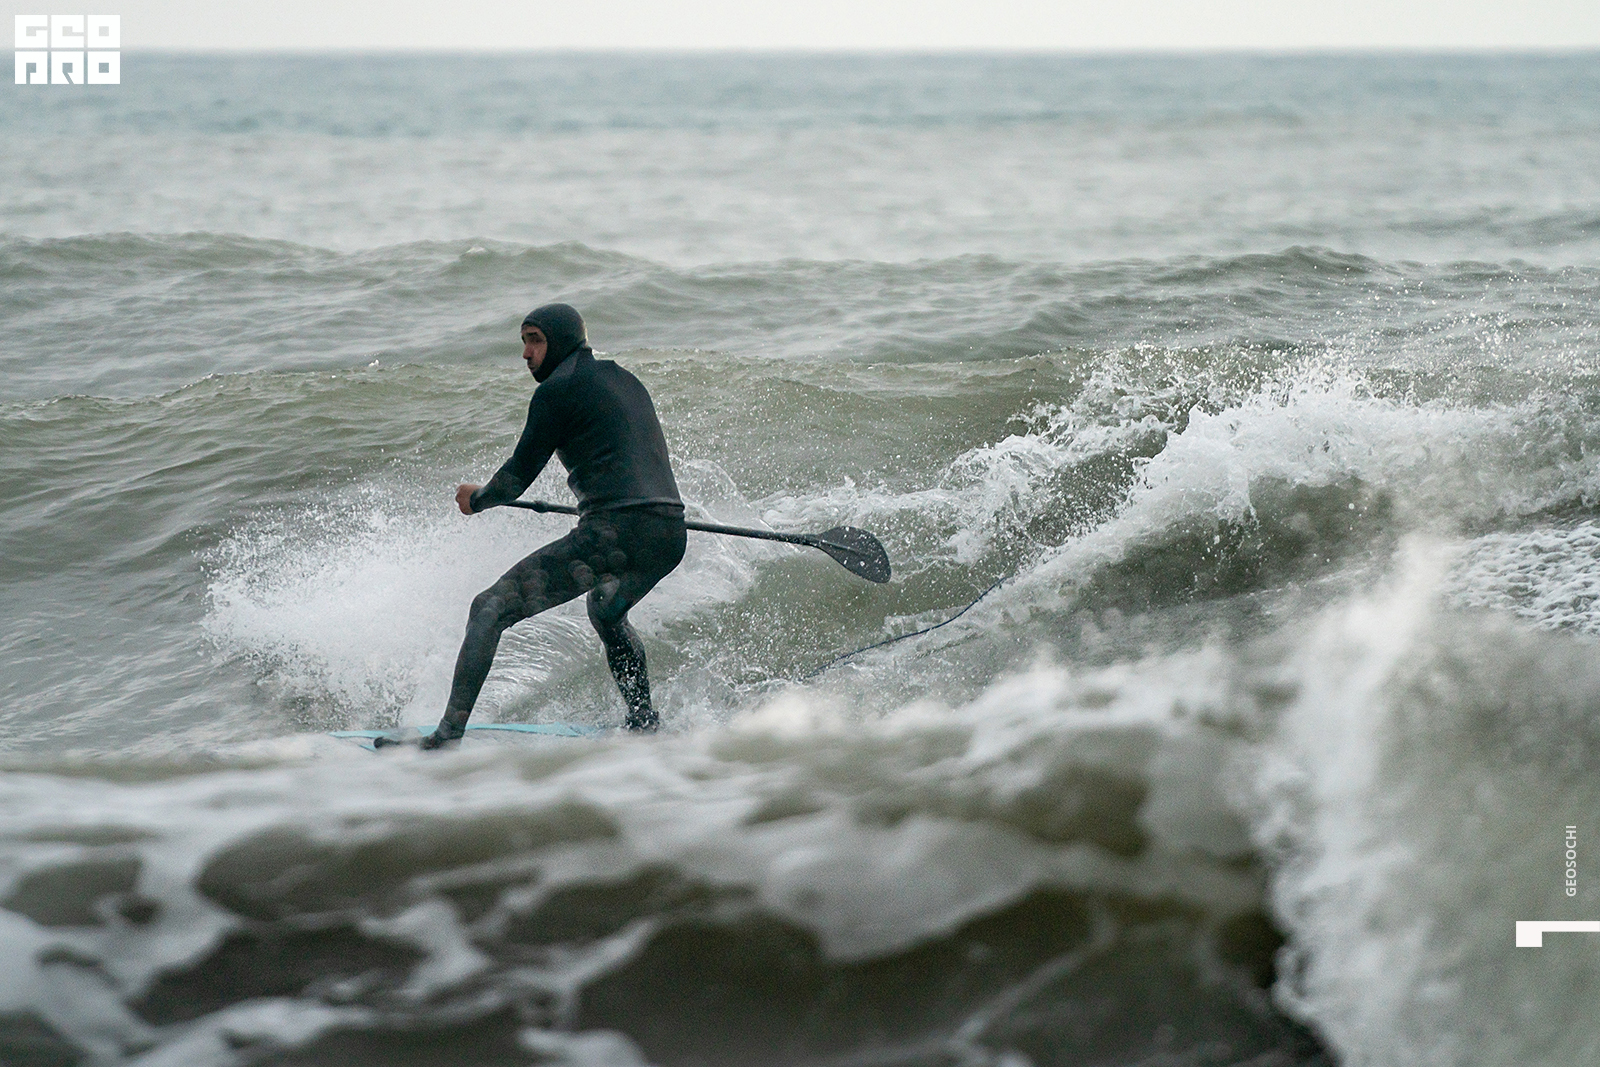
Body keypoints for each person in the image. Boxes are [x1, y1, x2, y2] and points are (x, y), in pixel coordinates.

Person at [422, 303, 685, 748]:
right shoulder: (626, 380)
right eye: (524, 341)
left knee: (489, 609)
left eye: (536, 340)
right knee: (607, 610)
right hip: (667, 532)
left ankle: (447, 736)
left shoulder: (557, 390)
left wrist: (477, 499)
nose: (526, 353)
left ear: (562, 341)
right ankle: (644, 722)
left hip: (616, 532)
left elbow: (515, 479)